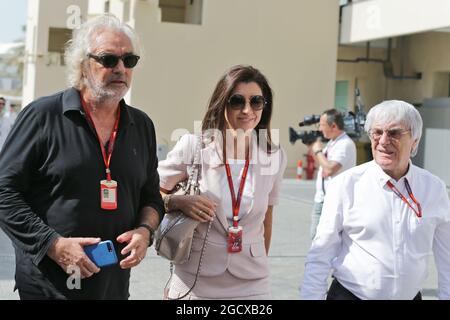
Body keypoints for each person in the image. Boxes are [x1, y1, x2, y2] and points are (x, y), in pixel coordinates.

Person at [0, 14, 164, 300]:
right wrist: (53, 244)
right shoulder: (42, 116)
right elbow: (3, 191)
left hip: (113, 289)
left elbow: (151, 197)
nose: (121, 69)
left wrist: (145, 231)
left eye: (130, 61)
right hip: (47, 289)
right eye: (108, 59)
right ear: (82, 64)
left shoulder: (142, 125)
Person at [158, 65, 287, 299]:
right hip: (195, 276)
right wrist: (179, 202)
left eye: (256, 101)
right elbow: (152, 194)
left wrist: (259, 261)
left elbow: (267, 217)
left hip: (252, 281)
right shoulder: (192, 146)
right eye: (237, 101)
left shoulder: (274, 156)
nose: (247, 110)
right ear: (222, 102)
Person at [300, 100, 450, 300]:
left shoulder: (434, 189)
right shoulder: (346, 185)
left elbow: (447, 258)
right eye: (377, 132)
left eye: (394, 133)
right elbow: (320, 255)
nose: (383, 141)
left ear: (415, 141)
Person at [309, 109, 356, 239]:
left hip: (334, 201)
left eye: (322, 125)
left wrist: (318, 151)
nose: (319, 129)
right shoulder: (332, 142)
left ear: (333, 126)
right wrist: (314, 151)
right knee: (316, 238)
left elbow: (330, 169)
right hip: (322, 199)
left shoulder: (345, 144)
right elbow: (322, 165)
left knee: (322, 240)